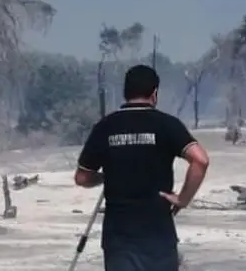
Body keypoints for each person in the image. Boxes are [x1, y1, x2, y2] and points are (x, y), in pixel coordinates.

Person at [74, 64, 210, 271]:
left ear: (126, 93)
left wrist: (106, 176)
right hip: (158, 235)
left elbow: (82, 178)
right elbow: (200, 160)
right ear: (154, 94)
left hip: (119, 238)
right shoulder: (167, 125)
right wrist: (183, 199)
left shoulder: (105, 127)